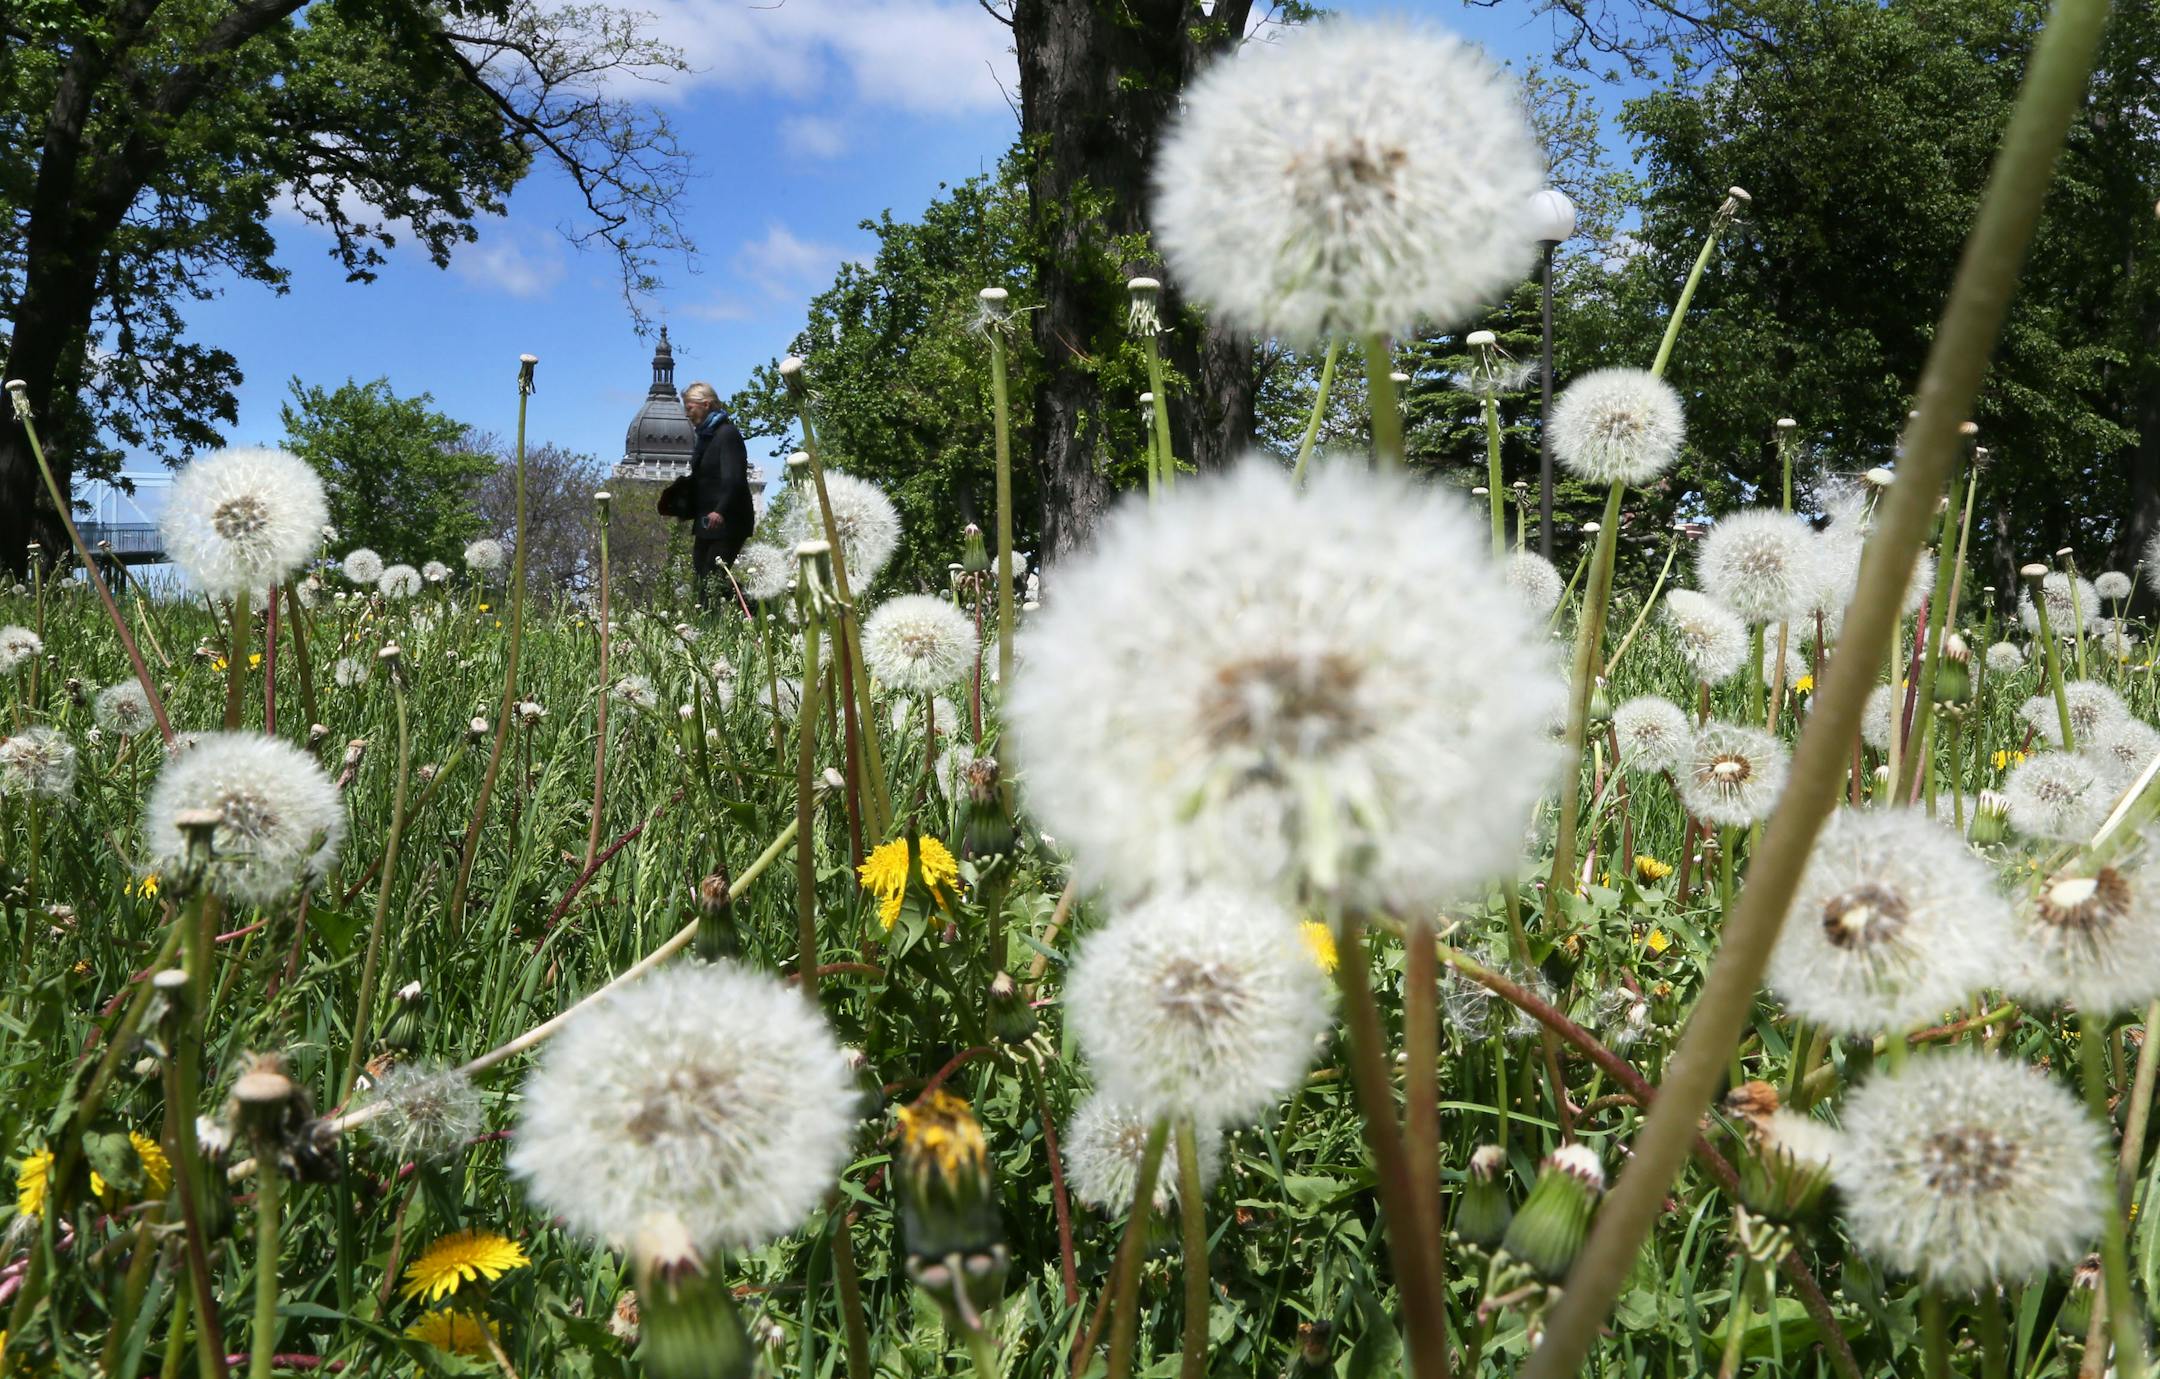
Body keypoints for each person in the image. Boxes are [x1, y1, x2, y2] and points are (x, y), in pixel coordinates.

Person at [683, 381, 753, 608]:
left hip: (727, 520)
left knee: (712, 577)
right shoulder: (705, 437)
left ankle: (756, 608)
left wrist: (720, 511)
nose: (687, 413)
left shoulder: (727, 434)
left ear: (706, 404)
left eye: (690, 407)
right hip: (706, 520)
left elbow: (734, 478)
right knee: (703, 578)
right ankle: (753, 607)